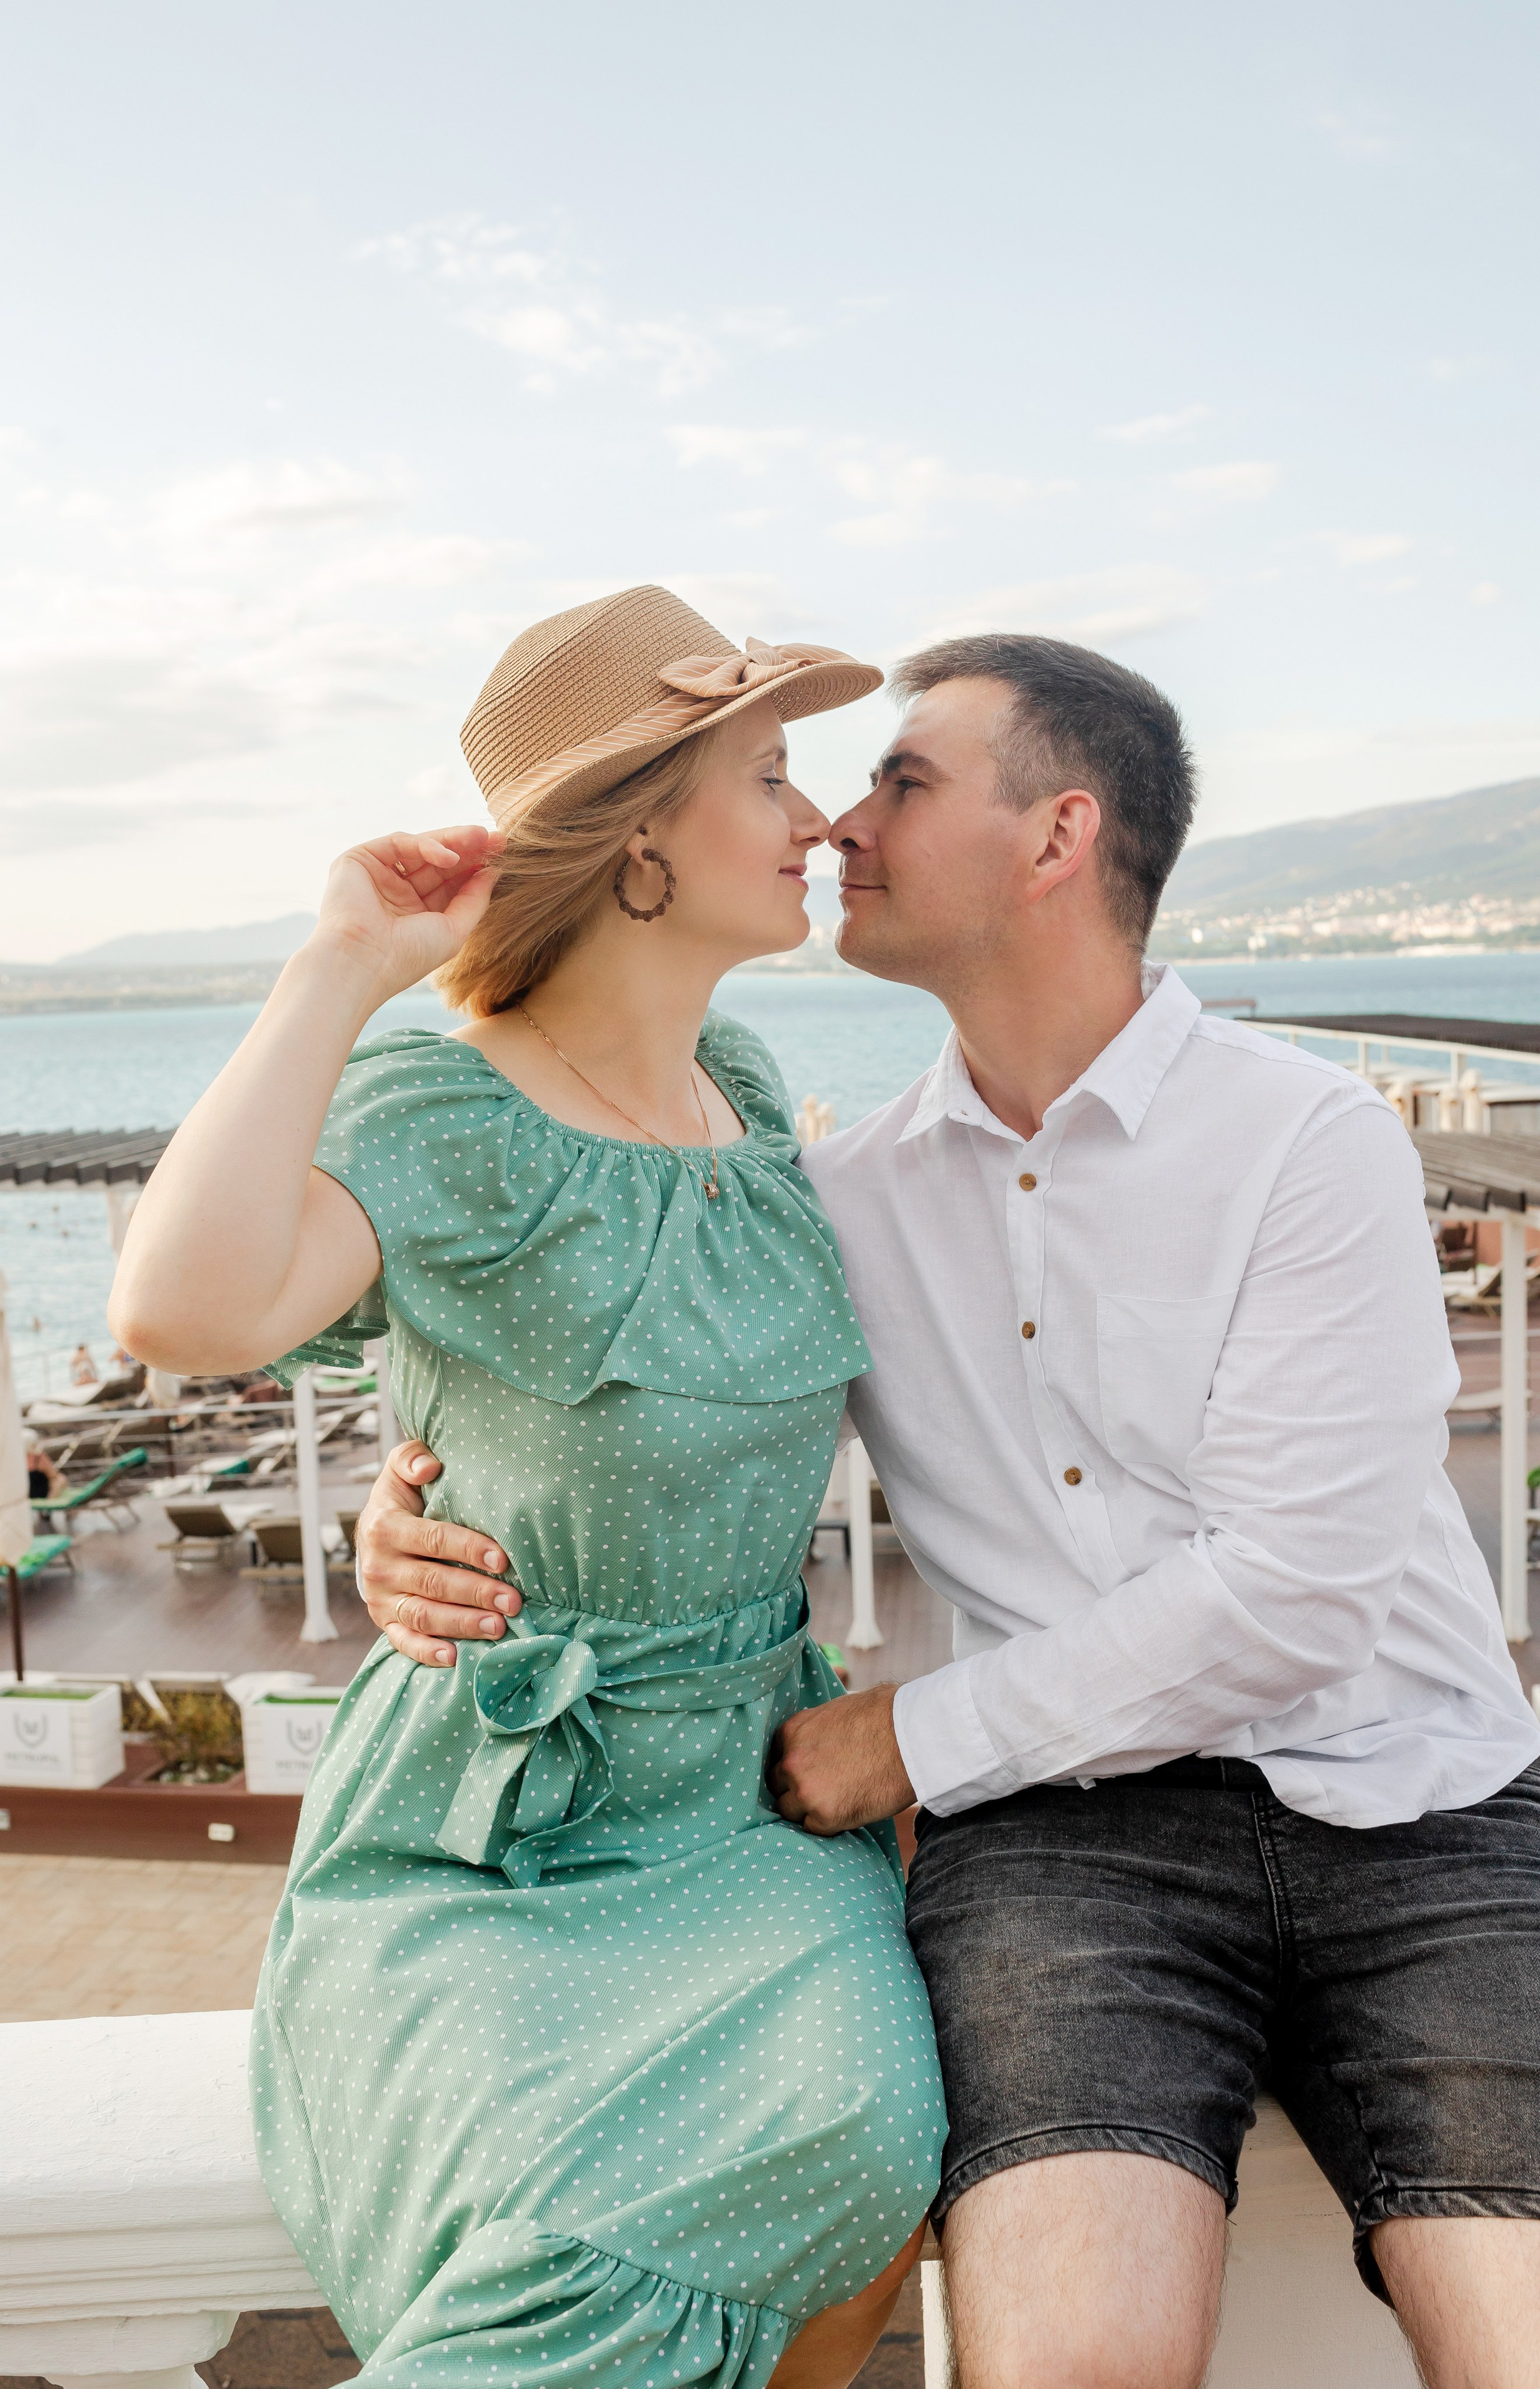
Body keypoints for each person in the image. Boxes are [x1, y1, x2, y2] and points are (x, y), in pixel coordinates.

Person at [364, 631, 1540, 2388]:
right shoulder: (832, 1195)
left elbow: (1296, 1594)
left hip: (1427, 1809)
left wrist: (905, 1741)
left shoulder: (1309, 1139)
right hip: (1070, 1846)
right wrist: (422, 1508)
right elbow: (629, 1408)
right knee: (1074, 2362)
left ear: (1057, 837)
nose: (840, 824)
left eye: (903, 781)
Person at [109, 586, 945, 2389]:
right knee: (569, 2218)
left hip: (751, 1806)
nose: (818, 821)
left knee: (867, 2127)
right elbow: (179, 1310)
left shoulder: (745, 1084)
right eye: (769, 777)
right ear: (639, 839)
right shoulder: (445, 1108)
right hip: (493, 1829)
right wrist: (339, 966)